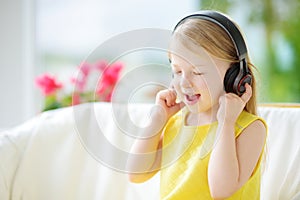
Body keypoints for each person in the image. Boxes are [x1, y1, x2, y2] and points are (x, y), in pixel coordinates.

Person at [127, 10, 267, 199]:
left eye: (198, 72)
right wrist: (157, 120)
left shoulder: (249, 128)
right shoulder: (176, 124)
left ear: (234, 76)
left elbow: (221, 190)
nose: (184, 83)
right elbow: (135, 173)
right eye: (177, 71)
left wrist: (226, 124)